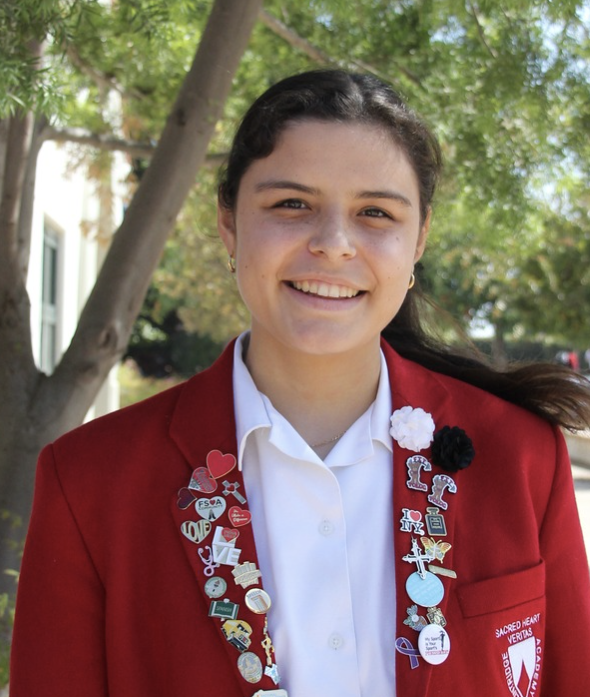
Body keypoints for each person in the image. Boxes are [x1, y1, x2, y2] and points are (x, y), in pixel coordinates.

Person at [10, 70, 590, 697]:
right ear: (229, 225)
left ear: (419, 239)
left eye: (376, 213)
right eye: (292, 205)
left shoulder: (521, 456)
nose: (334, 245)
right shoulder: (91, 482)